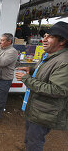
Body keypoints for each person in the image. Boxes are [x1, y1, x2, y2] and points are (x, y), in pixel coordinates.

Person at [15, 21, 68, 151]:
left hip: (44, 113)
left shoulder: (64, 61)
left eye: (49, 36)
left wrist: (27, 79)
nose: (43, 39)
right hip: (35, 108)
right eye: (44, 35)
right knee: (30, 136)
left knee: (35, 142)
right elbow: (44, 72)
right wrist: (31, 70)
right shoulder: (49, 55)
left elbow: (57, 90)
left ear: (62, 41)